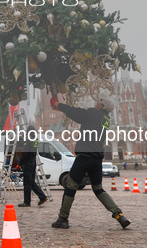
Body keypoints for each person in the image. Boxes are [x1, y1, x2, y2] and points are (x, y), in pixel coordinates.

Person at [50, 95, 130, 229]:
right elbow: (81, 116)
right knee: (98, 189)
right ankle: (119, 215)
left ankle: (63, 219)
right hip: (97, 158)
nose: (96, 103)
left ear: (102, 106)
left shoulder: (93, 113)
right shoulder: (106, 119)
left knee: (71, 186)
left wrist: (59, 105)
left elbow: (76, 112)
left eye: (99, 102)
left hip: (84, 157)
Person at [17, 125, 48, 207]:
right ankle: (42, 197)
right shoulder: (35, 140)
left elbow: (24, 153)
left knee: (27, 183)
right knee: (31, 181)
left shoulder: (28, 140)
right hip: (33, 162)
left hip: (27, 163)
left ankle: (27, 202)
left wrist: (20, 163)